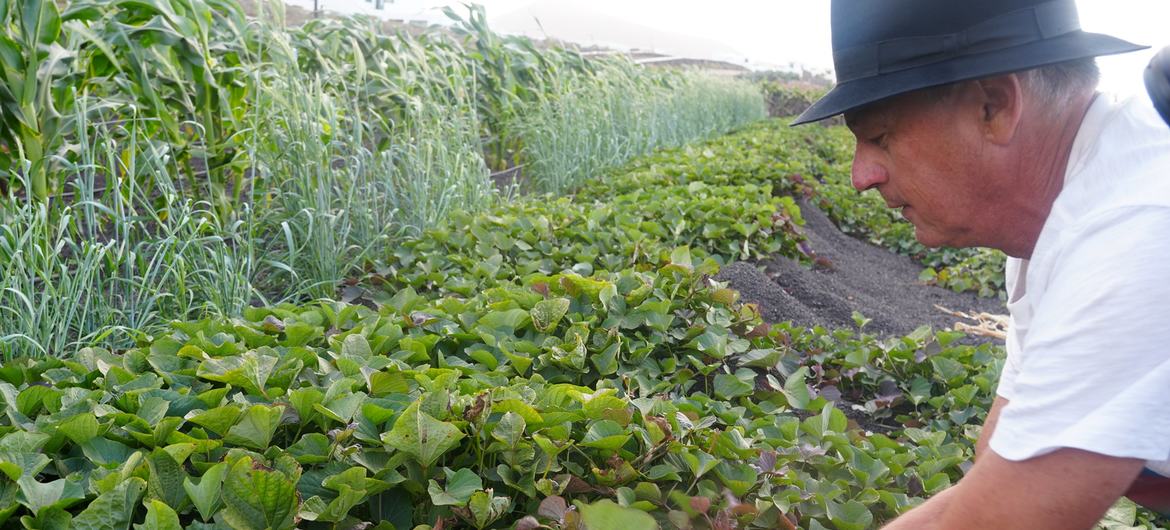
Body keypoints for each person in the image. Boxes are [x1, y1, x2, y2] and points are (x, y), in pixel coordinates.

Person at [793, 0, 1170, 528]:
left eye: (879, 138)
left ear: (993, 106)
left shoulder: (1132, 232)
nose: (861, 176)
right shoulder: (1046, 226)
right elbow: (995, 470)